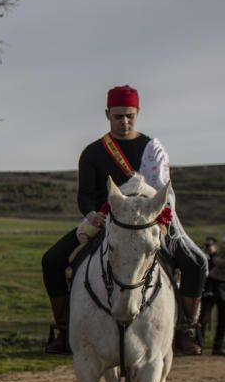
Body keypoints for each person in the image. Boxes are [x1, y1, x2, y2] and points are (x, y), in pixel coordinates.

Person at [41, 85, 208, 355]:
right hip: (104, 221)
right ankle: (62, 328)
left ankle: (186, 329)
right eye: (118, 116)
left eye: (129, 115)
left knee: (196, 262)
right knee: (51, 260)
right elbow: (85, 195)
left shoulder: (151, 149)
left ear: (137, 113)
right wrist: (91, 214)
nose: (124, 121)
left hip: (146, 222)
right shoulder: (93, 152)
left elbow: (162, 190)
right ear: (107, 114)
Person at [207, 236, 225, 355]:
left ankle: (217, 347)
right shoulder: (219, 255)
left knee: (222, 320)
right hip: (213, 285)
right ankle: (197, 343)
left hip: (221, 287)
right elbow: (217, 262)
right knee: (204, 317)